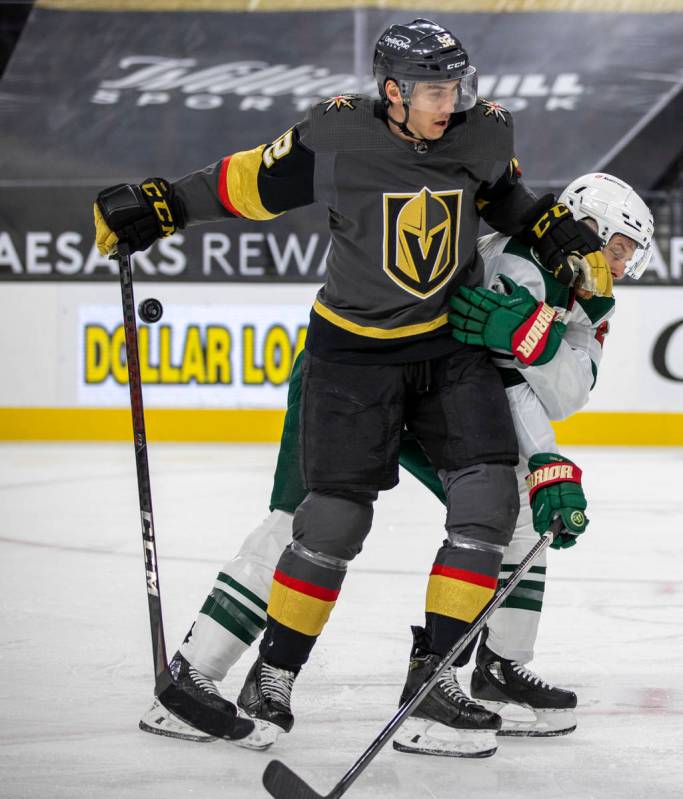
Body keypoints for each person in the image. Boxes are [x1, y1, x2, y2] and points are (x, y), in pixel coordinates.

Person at [94, 19, 611, 756]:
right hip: (351, 360)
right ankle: (260, 676)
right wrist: (163, 205)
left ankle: (435, 685)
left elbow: (502, 196)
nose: (452, 101)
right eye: (435, 88)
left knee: (493, 500)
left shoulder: (481, 135)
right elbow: (244, 184)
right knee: (323, 521)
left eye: (459, 85)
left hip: (444, 352)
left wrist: (556, 231)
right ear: (392, 91)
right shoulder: (337, 139)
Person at [134, 171, 653, 749]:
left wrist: (540, 346)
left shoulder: (586, 292)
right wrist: (547, 457)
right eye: (619, 246)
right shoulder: (519, 264)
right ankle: (196, 668)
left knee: (513, 513)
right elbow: (506, 383)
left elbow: (567, 392)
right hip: (357, 374)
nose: (623, 263)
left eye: (631, 254)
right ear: (586, 226)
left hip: (438, 393)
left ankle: (497, 668)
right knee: (305, 520)